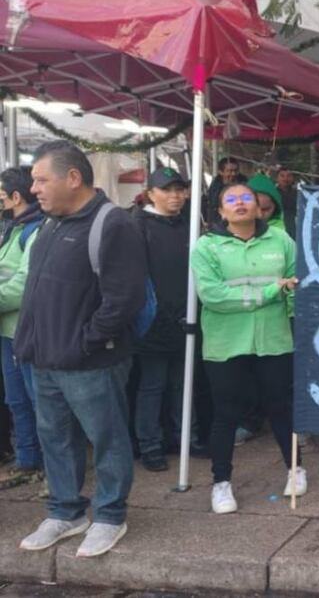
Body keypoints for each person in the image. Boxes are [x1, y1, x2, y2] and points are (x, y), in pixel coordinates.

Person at [17, 141, 147, 558]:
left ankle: (110, 515)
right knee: (55, 439)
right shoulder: (51, 223)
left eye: (41, 179)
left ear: (73, 177)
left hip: (90, 360)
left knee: (106, 438)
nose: (33, 188)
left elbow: (124, 300)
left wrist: (84, 342)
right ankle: (66, 512)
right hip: (45, 359)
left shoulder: (113, 224)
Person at [191, 182, 304, 514]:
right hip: (226, 343)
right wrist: (269, 293)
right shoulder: (206, 247)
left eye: (246, 198)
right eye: (231, 199)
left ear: (258, 206)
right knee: (226, 412)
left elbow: (296, 282)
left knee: (280, 406)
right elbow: (213, 296)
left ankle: (296, 468)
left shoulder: (281, 240)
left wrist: (295, 310)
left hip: (274, 340)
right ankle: (221, 482)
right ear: (221, 211)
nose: (240, 203)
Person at [132, 167, 196, 472]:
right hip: (153, 321)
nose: (175, 196)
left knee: (183, 384)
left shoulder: (189, 223)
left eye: (179, 189)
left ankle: (185, 437)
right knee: (152, 385)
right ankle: (150, 444)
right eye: (167, 190)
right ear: (151, 193)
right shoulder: (137, 225)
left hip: (187, 317)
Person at [0, 166, 45, 488]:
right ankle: (26, 460)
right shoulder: (14, 229)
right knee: (16, 399)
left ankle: (49, 466)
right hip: (7, 331)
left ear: (17, 197)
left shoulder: (35, 231)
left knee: (37, 400)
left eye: (2, 195)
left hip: (26, 332)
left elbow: (23, 285)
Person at [203, 157, 247, 227]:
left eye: (235, 170)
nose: (233, 174)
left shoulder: (245, 184)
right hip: (219, 223)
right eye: (229, 171)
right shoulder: (215, 188)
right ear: (221, 172)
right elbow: (212, 207)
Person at [275, 168, 298, 238]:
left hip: (294, 227)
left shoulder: (298, 194)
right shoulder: (273, 193)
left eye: (289, 176)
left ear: (293, 178)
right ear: (277, 178)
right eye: (282, 176)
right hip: (278, 227)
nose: (285, 179)